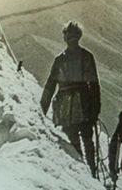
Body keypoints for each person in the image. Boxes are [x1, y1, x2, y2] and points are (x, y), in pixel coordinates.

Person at [43, 23, 103, 172]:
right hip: (79, 105)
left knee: (83, 139)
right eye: (69, 37)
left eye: (73, 37)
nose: (71, 40)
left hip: (76, 105)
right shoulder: (83, 57)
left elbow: (51, 85)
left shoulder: (63, 60)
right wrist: (95, 108)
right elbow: (94, 85)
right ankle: (87, 171)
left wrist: (42, 109)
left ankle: (89, 171)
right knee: (80, 139)